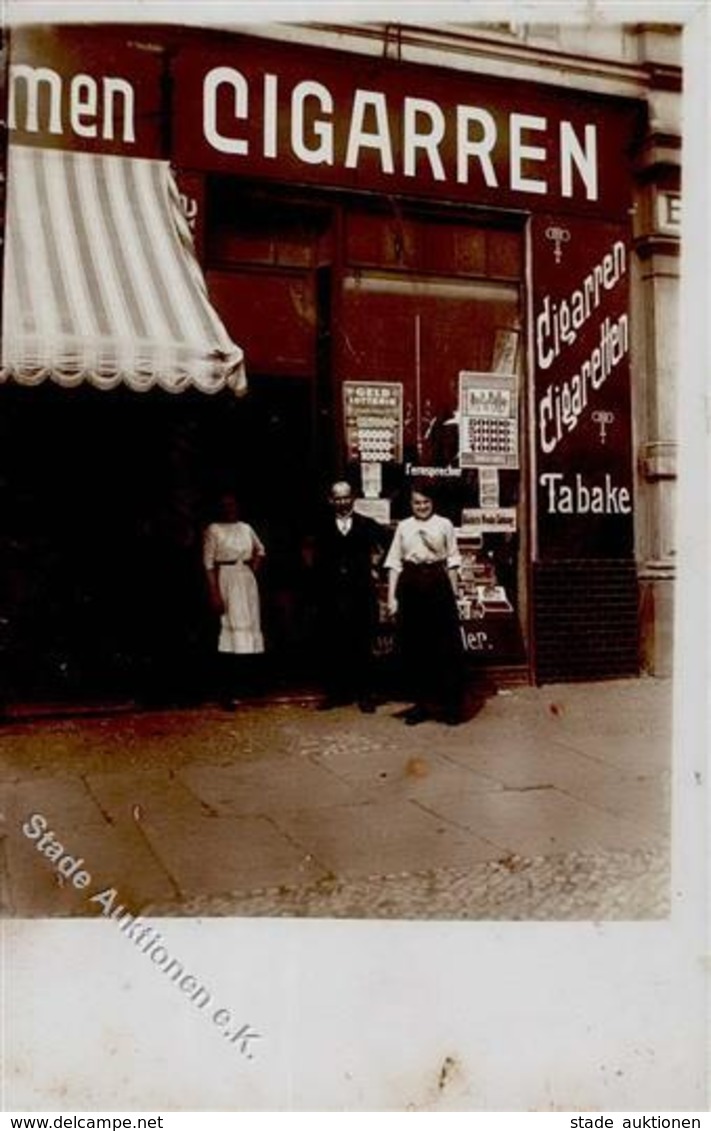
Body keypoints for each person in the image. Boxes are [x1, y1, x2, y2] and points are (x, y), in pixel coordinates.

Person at [385, 480, 466, 725]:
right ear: (411, 504)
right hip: (411, 585)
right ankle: (421, 705)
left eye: (426, 502)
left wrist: (453, 596)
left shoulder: (444, 524)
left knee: (444, 647)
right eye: (417, 502)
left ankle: (449, 707)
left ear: (433, 502)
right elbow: (394, 564)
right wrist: (392, 598)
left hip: (437, 584)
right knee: (415, 647)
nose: (421, 506)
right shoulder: (404, 527)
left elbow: (452, 561)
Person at [312, 480, 388, 713]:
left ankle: (365, 694)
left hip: (360, 592)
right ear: (331, 500)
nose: (342, 501)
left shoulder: (367, 524)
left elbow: (390, 544)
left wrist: (377, 566)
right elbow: (309, 553)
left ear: (353, 498)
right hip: (332, 593)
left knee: (363, 642)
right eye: (338, 497)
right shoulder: (321, 525)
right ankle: (336, 693)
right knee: (334, 643)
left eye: (346, 497)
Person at [203, 493, 266, 708]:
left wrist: (252, 571)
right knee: (228, 632)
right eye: (224, 505)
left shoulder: (246, 527)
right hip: (225, 579)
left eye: (232, 504)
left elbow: (261, 549)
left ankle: (246, 686)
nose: (229, 509)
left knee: (248, 630)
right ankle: (226, 691)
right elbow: (208, 564)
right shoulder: (214, 529)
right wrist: (214, 592)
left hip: (245, 579)